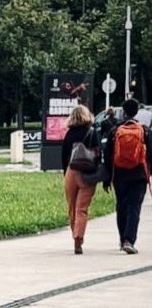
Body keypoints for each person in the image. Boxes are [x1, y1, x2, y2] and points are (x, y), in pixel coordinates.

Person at [103, 97, 152, 254]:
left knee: (121, 206)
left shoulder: (115, 131)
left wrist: (106, 179)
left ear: (123, 112)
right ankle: (129, 240)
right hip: (139, 175)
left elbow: (107, 155)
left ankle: (122, 238)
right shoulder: (144, 131)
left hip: (119, 174)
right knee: (134, 207)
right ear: (137, 112)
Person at [61, 103, 99, 254]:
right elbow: (98, 153)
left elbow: (64, 155)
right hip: (87, 173)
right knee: (82, 208)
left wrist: (65, 173)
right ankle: (79, 237)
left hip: (71, 171)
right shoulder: (92, 132)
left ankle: (75, 237)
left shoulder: (69, 134)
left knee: (72, 208)